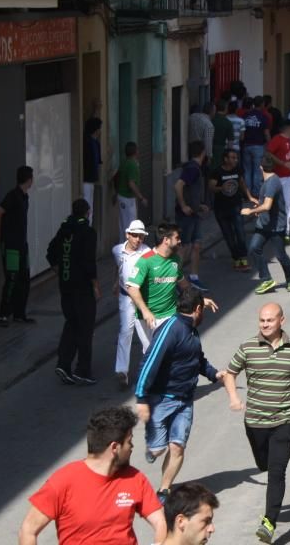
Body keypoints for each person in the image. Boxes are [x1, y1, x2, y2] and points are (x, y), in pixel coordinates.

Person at [221, 303, 290, 543]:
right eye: (262, 320)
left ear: (282, 321)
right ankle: (281, 453)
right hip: (256, 420)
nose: (265, 324)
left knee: (276, 472)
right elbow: (230, 373)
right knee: (264, 464)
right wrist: (234, 398)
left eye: (269, 320)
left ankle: (269, 521)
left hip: (285, 418)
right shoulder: (248, 347)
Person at [19, 406, 167, 544]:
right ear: (114, 447)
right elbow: (28, 530)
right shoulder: (63, 481)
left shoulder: (135, 478)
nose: (132, 447)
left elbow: (160, 521)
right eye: (129, 441)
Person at [134, 287, 226, 501]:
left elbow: (197, 358)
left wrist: (214, 374)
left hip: (185, 401)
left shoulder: (191, 329)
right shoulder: (171, 330)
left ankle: (164, 490)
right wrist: (141, 398)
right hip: (162, 400)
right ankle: (152, 449)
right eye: (202, 309)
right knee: (158, 450)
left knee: (177, 447)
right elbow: (149, 363)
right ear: (197, 309)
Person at [47, 199, 100, 385]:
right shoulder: (88, 232)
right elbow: (89, 263)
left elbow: (50, 253)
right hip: (83, 288)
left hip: (66, 287)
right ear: (87, 212)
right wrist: (95, 286)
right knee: (85, 328)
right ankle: (82, 370)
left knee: (71, 323)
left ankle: (63, 364)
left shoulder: (65, 230)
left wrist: (61, 273)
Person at [242, 154, 290, 294]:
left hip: (276, 226)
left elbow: (267, 206)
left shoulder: (273, 182)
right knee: (254, 248)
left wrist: (250, 211)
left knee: (280, 255)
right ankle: (266, 279)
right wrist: (258, 208)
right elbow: (267, 204)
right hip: (264, 224)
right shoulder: (268, 181)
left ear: (260, 167)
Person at [0, 166, 34, 327]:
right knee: (12, 278)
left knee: (25, 278)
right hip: (11, 245)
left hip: (22, 244)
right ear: (29, 180)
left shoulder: (25, 197)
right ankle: (3, 315)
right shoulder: (13, 195)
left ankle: (19, 313)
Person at [112, 220, 152, 389]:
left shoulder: (148, 253)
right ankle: (121, 372)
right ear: (127, 235)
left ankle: (149, 371)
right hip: (125, 297)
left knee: (146, 336)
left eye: (141, 236)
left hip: (142, 298)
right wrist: (116, 282)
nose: (138, 239)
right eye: (135, 235)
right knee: (125, 332)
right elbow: (120, 267)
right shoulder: (117, 250)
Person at [209, 148, 253, 272]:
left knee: (240, 233)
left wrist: (250, 197)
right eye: (232, 158)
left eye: (236, 158)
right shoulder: (217, 172)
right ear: (225, 159)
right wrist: (221, 187)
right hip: (221, 209)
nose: (235, 160)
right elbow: (211, 187)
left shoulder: (238, 169)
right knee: (228, 235)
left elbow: (242, 183)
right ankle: (236, 258)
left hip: (236, 206)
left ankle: (243, 258)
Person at [174, 141, 210, 291]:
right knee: (184, 246)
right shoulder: (192, 169)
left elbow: (190, 191)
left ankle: (194, 277)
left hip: (194, 214)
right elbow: (178, 185)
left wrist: (198, 206)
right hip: (186, 216)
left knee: (196, 245)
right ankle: (174, 279)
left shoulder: (194, 168)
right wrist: (183, 206)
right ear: (203, 152)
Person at [115, 142, 149, 242]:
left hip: (122, 197)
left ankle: (124, 247)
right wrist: (141, 198)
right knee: (130, 225)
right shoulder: (132, 165)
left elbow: (116, 177)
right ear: (136, 152)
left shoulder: (124, 163)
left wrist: (116, 192)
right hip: (127, 198)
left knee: (123, 225)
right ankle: (128, 248)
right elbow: (131, 183)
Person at [241, 97, 270, 197]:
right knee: (257, 170)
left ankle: (247, 192)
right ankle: (256, 192)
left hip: (246, 145)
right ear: (262, 104)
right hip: (258, 146)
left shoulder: (246, 115)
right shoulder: (263, 116)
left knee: (247, 170)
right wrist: (270, 146)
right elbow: (266, 133)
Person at [82, 117, 102, 222]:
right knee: (87, 209)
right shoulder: (87, 143)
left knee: (90, 209)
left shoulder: (95, 143)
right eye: (99, 129)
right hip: (86, 180)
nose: (100, 131)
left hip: (91, 180)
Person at [210, 100, 234, 171]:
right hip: (221, 149)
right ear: (225, 109)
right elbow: (230, 141)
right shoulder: (227, 122)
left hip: (208, 148)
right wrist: (229, 154)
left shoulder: (211, 119)